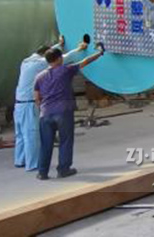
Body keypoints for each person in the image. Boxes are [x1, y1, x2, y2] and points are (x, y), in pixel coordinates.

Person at [13, 37, 86, 171]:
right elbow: (64, 58)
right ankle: (33, 164)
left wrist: (59, 44)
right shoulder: (40, 64)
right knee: (31, 135)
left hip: (18, 105)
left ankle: (20, 160)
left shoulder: (26, 62)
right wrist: (80, 49)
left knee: (21, 135)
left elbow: (49, 54)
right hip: (29, 105)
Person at [34, 42, 104, 180]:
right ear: (59, 58)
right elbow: (85, 62)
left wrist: (43, 109)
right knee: (65, 141)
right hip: (63, 111)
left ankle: (42, 172)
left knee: (46, 144)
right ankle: (63, 169)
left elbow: (36, 98)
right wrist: (99, 53)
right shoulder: (65, 70)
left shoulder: (39, 76)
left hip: (45, 114)